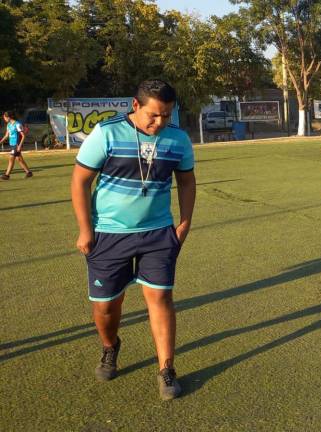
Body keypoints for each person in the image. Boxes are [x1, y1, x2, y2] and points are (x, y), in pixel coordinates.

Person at [71, 79, 196, 400]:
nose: (160, 122)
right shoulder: (106, 133)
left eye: (167, 115)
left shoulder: (178, 139)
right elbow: (80, 181)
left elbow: (186, 181)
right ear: (136, 106)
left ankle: (167, 369)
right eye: (154, 115)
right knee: (106, 307)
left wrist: (184, 224)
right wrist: (86, 230)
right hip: (109, 234)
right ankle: (111, 346)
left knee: (160, 299)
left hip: (158, 233)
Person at [0, 111, 33, 180]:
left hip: (17, 144)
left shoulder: (17, 124)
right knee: (19, 159)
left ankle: (7, 175)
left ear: (9, 117)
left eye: (5, 118)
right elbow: (6, 135)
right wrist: (0, 142)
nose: (4, 119)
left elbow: (23, 136)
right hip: (12, 144)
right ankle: (28, 172)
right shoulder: (8, 125)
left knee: (11, 158)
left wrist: (20, 146)